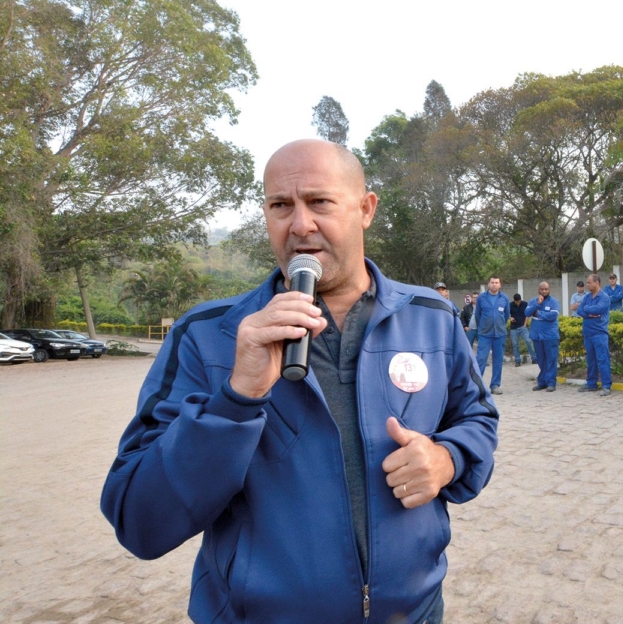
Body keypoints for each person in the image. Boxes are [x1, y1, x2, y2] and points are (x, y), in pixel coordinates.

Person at [100, 140, 498, 624]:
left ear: (366, 209)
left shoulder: (431, 317)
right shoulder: (206, 334)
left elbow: (476, 418)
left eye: (320, 202)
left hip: (415, 613)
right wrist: (235, 399)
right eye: (281, 205)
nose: (300, 225)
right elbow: (140, 521)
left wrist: (447, 458)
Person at [576, 274, 612, 396]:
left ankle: (606, 385)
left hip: (599, 333)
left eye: (589, 282)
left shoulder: (604, 297)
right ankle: (591, 383)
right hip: (588, 333)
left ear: (596, 282)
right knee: (591, 360)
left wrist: (588, 310)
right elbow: (579, 310)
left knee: (602, 359)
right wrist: (589, 312)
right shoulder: (587, 297)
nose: (587, 285)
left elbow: (598, 309)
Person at [475, 276, 509, 394]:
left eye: (496, 282)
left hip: (499, 334)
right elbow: (478, 315)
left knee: (498, 360)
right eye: (492, 282)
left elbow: (506, 316)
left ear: (500, 285)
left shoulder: (504, 298)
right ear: (488, 284)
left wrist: (498, 325)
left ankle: (495, 385)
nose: (494, 284)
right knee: (480, 359)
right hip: (485, 334)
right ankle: (477, 386)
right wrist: (484, 326)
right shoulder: (481, 298)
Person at [527, 281, 561, 392]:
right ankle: (542, 382)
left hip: (550, 336)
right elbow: (527, 313)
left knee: (551, 360)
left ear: (549, 289)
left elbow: (553, 315)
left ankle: (551, 382)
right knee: (541, 360)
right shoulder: (533, 301)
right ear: (538, 290)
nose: (544, 291)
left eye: (546, 289)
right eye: (542, 289)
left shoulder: (554, 302)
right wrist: (537, 304)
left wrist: (538, 314)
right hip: (537, 336)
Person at [508, 293, 535, 367]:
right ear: (514, 301)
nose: (518, 303)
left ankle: (534, 358)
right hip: (513, 328)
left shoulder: (525, 304)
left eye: (519, 301)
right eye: (517, 302)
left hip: (523, 326)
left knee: (528, 341)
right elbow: (507, 314)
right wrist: (510, 318)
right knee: (515, 344)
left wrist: (525, 324)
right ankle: (517, 360)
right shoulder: (510, 305)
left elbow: (527, 314)